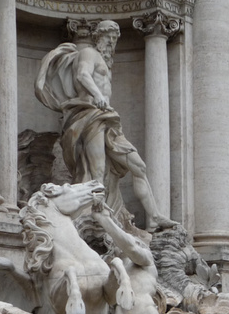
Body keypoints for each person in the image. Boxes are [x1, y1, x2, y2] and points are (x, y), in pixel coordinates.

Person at [35, 20, 175, 232]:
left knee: (139, 166)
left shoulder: (105, 61)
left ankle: (154, 217)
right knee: (97, 171)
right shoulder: (89, 53)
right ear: (98, 37)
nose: (111, 43)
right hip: (90, 116)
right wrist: (98, 95)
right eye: (108, 38)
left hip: (107, 118)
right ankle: (93, 220)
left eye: (114, 39)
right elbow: (82, 74)